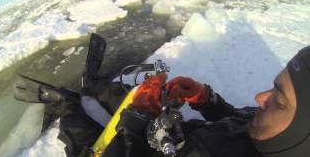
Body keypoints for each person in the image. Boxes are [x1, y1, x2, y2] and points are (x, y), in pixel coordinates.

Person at [58, 46, 310, 157]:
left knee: (83, 140)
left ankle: (64, 104)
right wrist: (205, 99)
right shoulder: (275, 135)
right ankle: (94, 85)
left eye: (279, 101)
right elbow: (239, 121)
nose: (260, 98)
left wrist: (135, 121)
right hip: (169, 135)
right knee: (131, 97)